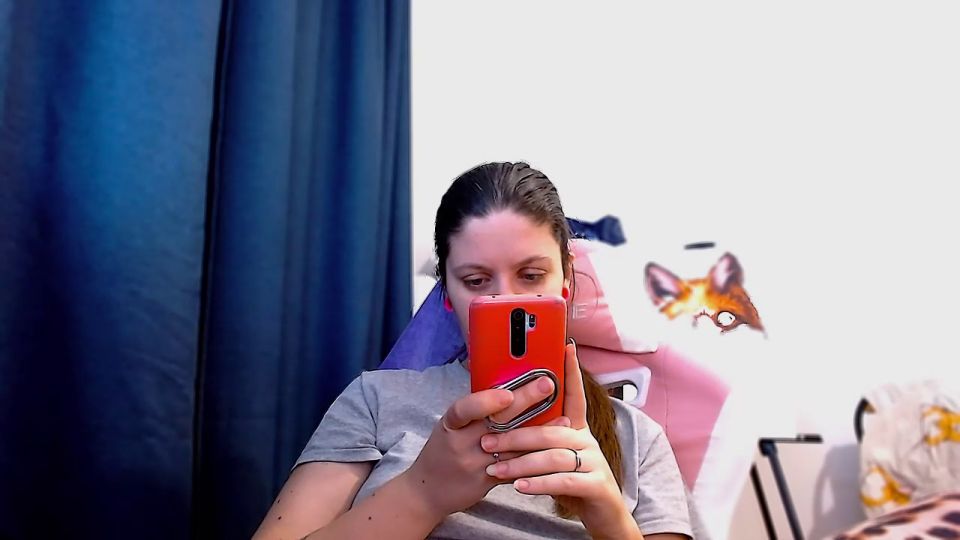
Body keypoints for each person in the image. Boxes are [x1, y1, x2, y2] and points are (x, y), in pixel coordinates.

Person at [253, 162, 693, 539]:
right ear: (446, 293)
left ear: (565, 279)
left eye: (531, 276)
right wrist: (422, 492)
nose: (506, 300)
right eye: (477, 281)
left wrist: (611, 519)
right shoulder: (376, 400)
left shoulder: (638, 439)